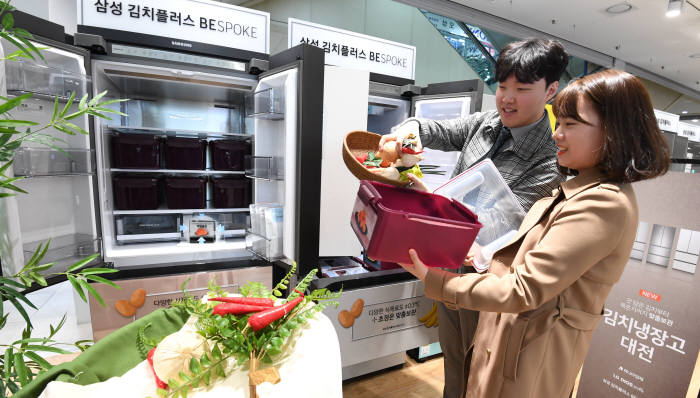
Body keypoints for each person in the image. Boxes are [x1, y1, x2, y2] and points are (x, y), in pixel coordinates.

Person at [398, 69, 671, 398]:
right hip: (510, 338)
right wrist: (482, 252)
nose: (558, 134)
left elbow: (524, 289)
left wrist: (436, 280)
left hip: (527, 355)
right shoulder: (580, 188)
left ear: (614, 132)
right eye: (561, 122)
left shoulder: (603, 203)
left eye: (571, 124)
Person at [379, 38, 569, 398]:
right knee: (453, 357)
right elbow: (441, 130)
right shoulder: (488, 122)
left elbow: (502, 221)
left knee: (481, 368)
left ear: (551, 91)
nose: (507, 98)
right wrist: (412, 129)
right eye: (502, 86)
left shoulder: (550, 158)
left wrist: (427, 200)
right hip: (451, 266)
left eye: (522, 89)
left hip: (491, 280)